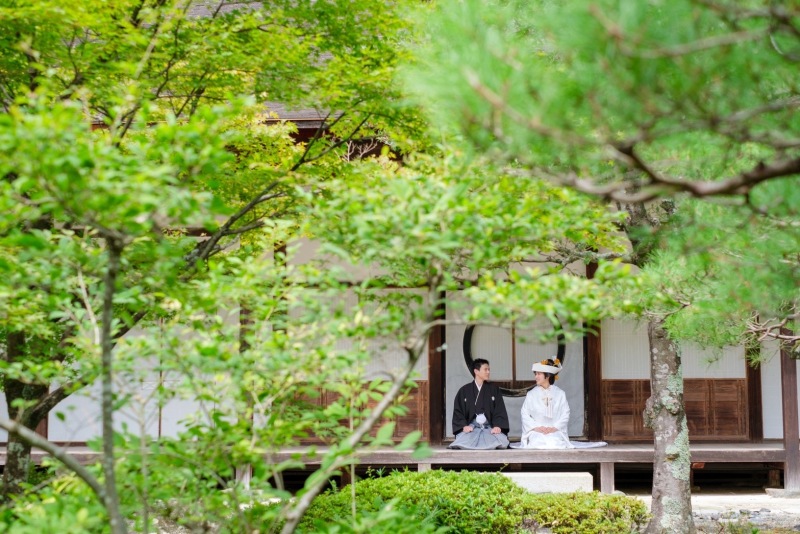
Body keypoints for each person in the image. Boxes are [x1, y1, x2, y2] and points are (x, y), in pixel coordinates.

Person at [449, 358, 510, 450]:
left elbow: (499, 410)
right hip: (471, 428)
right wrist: (463, 426)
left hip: (489, 427)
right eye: (485, 369)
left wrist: (497, 426)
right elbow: (458, 412)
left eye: (489, 369)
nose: (488, 372)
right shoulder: (464, 391)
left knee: (501, 442)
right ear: (476, 371)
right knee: (463, 441)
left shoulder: (494, 390)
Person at [516, 358, 574, 449]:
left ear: (547, 376)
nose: (536, 377)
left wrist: (554, 427)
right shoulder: (531, 394)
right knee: (538, 442)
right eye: (535, 374)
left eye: (539, 374)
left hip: (555, 431)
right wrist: (536, 427)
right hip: (537, 431)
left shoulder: (560, 394)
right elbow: (524, 413)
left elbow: (566, 413)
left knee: (555, 443)